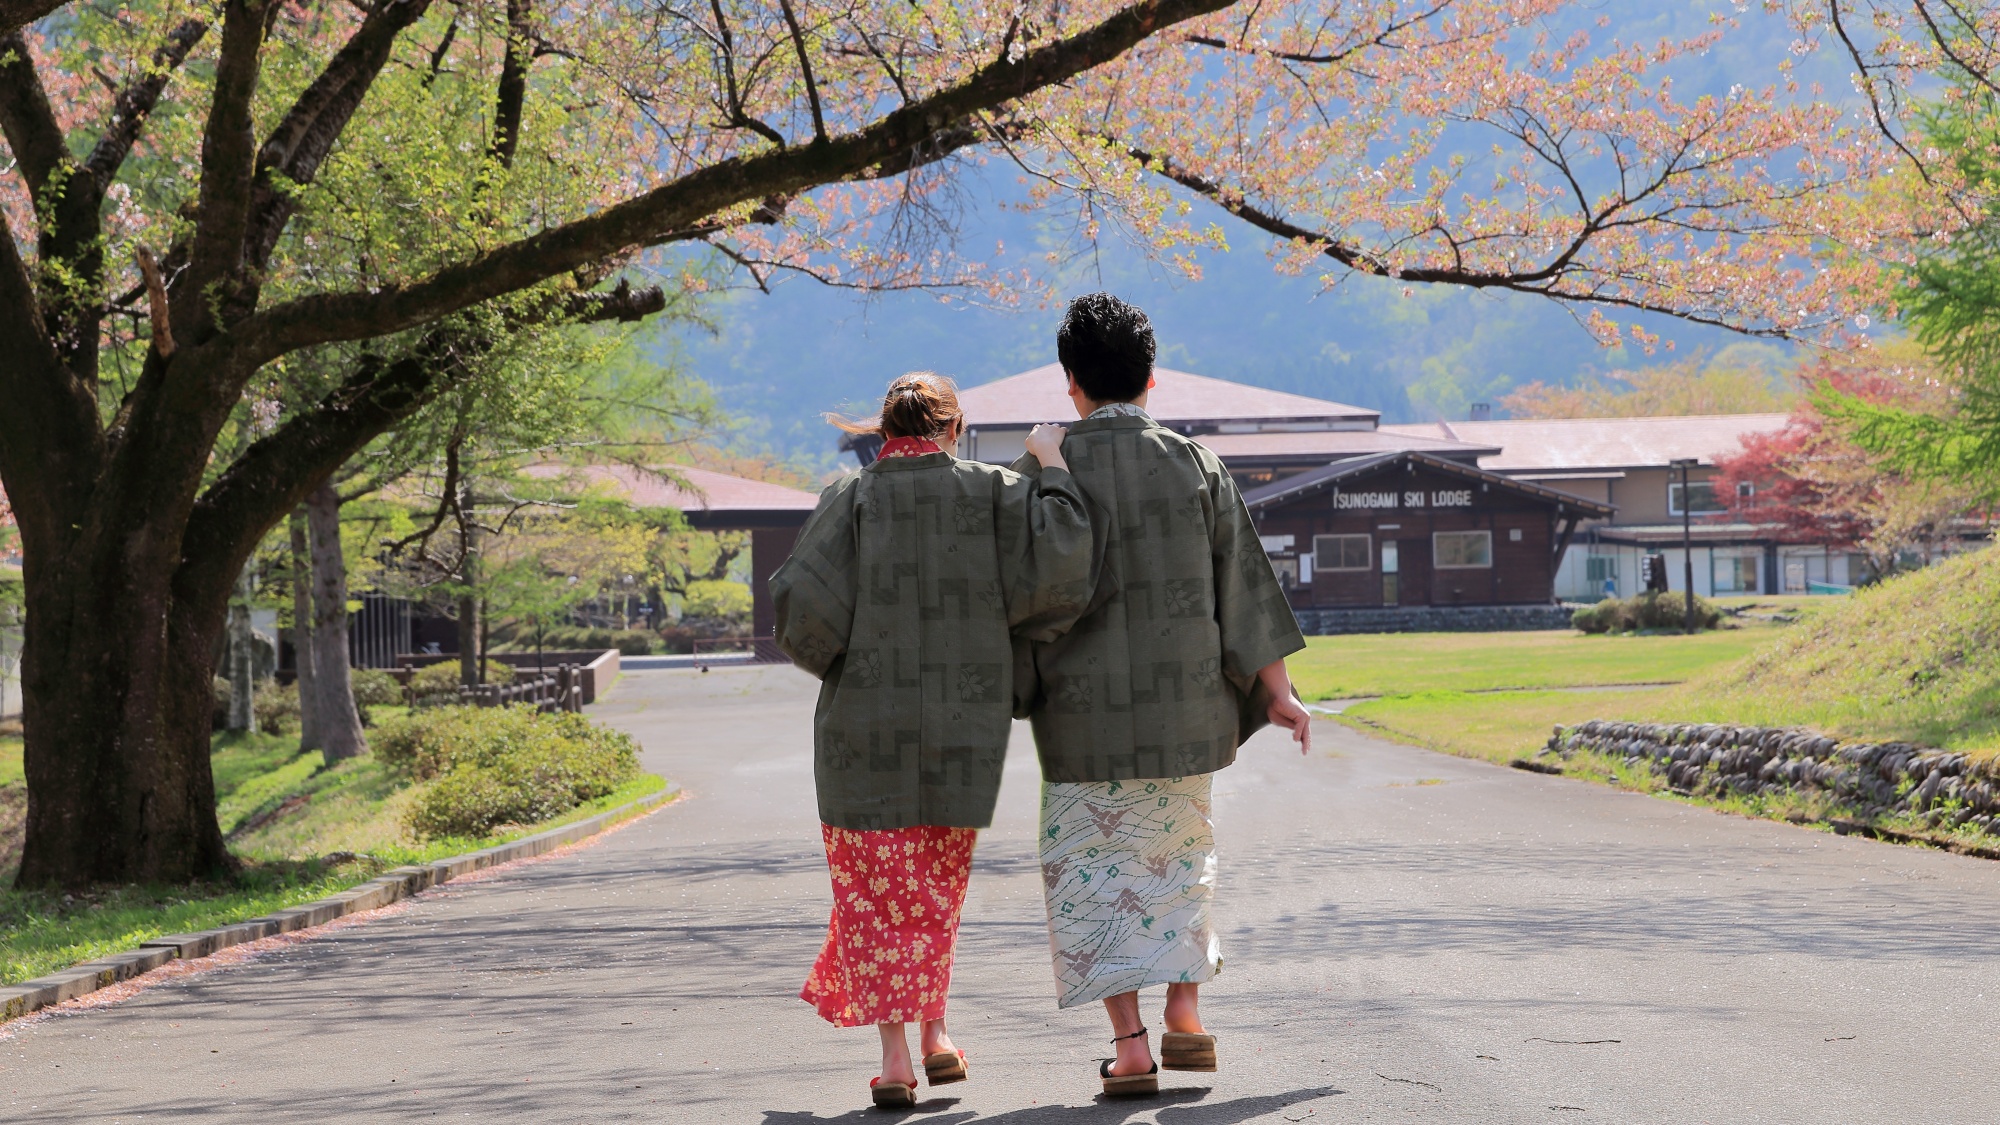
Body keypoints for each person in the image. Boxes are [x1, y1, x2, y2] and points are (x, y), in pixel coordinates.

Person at [1011, 294, 1312, 1097]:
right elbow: (1240, 584)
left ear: (1070, 380)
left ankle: (1132, 1043)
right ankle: (1186, 1010)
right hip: (1186, 708)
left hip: (1081, 717)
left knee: (1093, 871)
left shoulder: (1044, 467)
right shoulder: (1194, 463)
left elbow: (1012, 585)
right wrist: (1277, 691)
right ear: (1152, 378)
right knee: (1179, 860)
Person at [770, 372, 1093, 1109]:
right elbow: (1061, 565)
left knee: (874, 895)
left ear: (884, 435)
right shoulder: (992, 493)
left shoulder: (848, 500)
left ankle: (895, 1059)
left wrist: (849, 659)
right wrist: (1054, 468)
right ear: (953, 430)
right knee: (934, 893)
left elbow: (801, 615)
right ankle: (938, 1032)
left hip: (860, 735)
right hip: (962, 726)